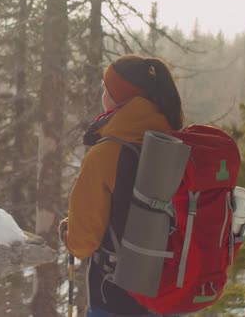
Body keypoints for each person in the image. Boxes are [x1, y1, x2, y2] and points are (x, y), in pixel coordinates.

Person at [58, 54, 184, 317]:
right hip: (169, 297)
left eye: (106, 88)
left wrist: (67, 233)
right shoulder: (177, 144)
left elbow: (83, 242)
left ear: (120, 97)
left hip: (115, 300)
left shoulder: (107, 153)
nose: (102, 93)